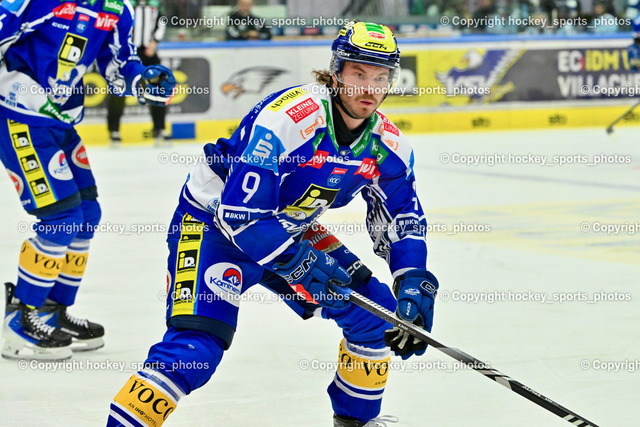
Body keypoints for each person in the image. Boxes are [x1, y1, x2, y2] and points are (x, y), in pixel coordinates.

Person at [107, 21, 438, 426]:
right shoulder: (290, 119)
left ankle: (356, 422)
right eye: (358, 74)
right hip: (213, 227)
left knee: (378, 317)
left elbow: (402, 217)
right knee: (196, 350)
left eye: (380, 77)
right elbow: (241, 216)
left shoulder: (388, 145)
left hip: (288, 230)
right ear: (336, 71)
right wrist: (298, 263)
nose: (369, 88)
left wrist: (412, 277)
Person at [0, 0, 176, 361]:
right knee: (61, 218)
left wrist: (142, 80)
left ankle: (51, 310)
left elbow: (119, 65)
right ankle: (19, 318)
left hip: (61, 120)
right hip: (19, 117)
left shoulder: (117, 9)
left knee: (86, 214)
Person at [107, 0, 170, 146]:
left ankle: (159, 128)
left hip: (149, 53)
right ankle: (114, 130)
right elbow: (115, 24)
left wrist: (155, 42)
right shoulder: (125, 3)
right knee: (119, 88)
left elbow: (162, 21)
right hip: (127, 53)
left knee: (157, 90)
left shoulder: (155, 3)